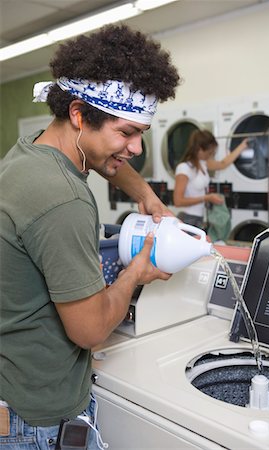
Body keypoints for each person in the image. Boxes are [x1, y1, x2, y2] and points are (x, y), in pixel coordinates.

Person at [0, 24, 180, 449]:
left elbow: (103, 158)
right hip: (41, 418)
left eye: (142, 133)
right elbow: (91, 331)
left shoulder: (31, 152)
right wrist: (135, 273)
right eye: (126, 132)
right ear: (79, 114)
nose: (135, 148)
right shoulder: (63, 200)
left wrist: (145, 193)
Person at [173, 129, 249, 229]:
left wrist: (242, 146)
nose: (211, 155)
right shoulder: (184, 168)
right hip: (187, 218)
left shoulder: (202, 163)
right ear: (199, 149)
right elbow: (178, 201)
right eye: (209, 153)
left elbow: (223, 164)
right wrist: (207, 198)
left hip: (199, 218)